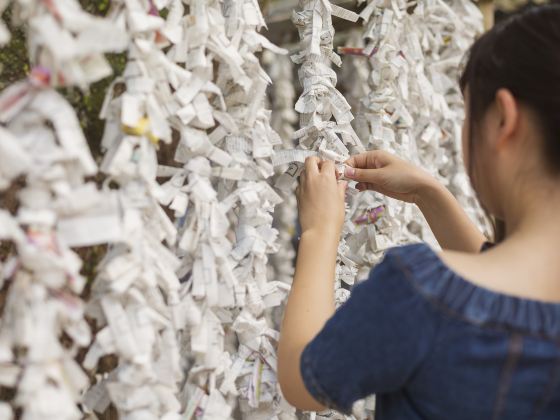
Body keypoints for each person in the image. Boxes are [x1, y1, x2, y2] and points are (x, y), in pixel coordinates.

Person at [277, 5, 560, 419]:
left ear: (503, 119)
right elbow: (502, 286)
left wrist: (320, 232)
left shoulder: (420, 293)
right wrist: (431, 194)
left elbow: (304, 381)